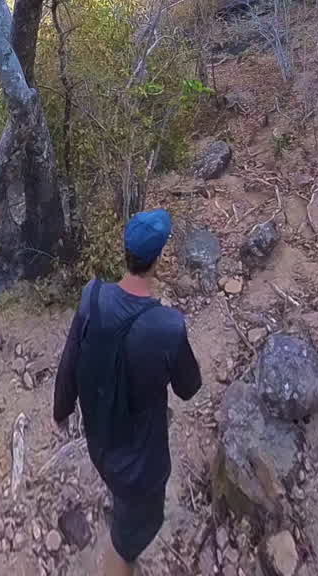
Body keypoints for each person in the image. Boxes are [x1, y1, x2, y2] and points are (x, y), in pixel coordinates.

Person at [53, 208, 202, 574]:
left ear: (126, 252)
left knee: (124, 507)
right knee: (129, 540)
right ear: (158, 260)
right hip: (140, 467)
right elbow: (189, 388)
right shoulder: (168, 326)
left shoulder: (92, 296)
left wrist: (61, 411)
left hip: (100, 443)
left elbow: (68, 360)